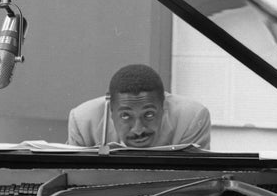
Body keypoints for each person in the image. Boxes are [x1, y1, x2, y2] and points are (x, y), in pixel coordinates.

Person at [68, 63, 211, 149]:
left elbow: (196, 182)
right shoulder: (83, 121)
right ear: (110, 109)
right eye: (125, 115)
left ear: (164, 106)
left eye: (149, 114)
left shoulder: (192, 119)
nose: (138, 130)